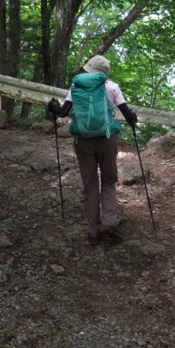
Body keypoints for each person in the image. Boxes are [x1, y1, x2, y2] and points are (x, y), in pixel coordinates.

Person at [48, 55, 138, 245]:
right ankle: (109, 223)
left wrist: (54, 106)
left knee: (90, 184)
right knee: (108, 180)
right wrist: (133, 119)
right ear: (104, 73)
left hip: (83, 141)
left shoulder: (76, 87)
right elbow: (128, 115)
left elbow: (63, 113)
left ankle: (93, 232)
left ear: (88, 70)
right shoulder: (112, 87)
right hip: (107, 139)